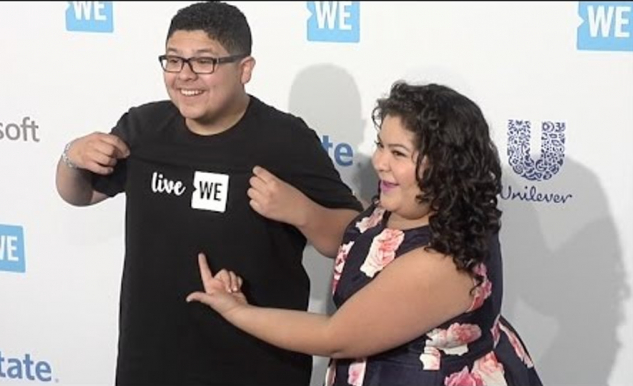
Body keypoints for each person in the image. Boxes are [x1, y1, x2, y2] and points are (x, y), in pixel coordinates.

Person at [55, 1, 363, 385]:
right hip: (150, 358)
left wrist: (300, 210)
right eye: (173, 60)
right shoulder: (143, 127)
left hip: (256, 362)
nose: (186, 76)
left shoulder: (286, 140)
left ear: (245, 69)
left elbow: (351, 241)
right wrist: (72, 157)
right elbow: (80, 195)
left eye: (204, 62)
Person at [187, 81, 544, 386]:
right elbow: (355, 251)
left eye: (398, 153)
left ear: (445, 167)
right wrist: (301, 212)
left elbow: (335, 338)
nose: (379, 162)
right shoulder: (407, 204)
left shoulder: (441, 262)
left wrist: (236, 311)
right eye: (380, 145)